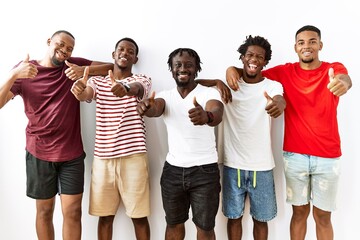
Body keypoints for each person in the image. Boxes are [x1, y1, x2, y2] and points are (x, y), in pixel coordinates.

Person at [226, 25, 352, 240]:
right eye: (302, 42)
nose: (307, 46)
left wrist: (343, 83)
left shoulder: (333, 68)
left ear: (320, 45)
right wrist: (231, 68)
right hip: (295, 155)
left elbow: (344, 79)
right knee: (299, 213)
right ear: (295, 47)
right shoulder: (285, 72)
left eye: (312, 41)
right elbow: (253, 71)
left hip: (328, 156)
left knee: (323, 216)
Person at [0, 30, 113, 240]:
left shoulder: (73, 65)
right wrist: (14, 74)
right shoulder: (26, 71)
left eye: (69, 48)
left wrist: (83, 70)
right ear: (49, 41)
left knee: (73, 212)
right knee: (44, 212)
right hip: (38, 153)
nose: (64, 51)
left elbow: (112, 68)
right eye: (60, 45)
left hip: (71, 154)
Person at [136, 48, 224, 240]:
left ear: (196, 69)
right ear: (172, 69)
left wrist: (206, 116)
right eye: (178, 65)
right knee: (173, 224)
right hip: (173, 172)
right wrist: (146, 108)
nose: (183, 68)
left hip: (205, 172)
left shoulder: (208, 93)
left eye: (189, 65)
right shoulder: (166, 96)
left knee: (205, 228)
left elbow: (217, 112)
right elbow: (156, 108)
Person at [71, 37, 151, 240]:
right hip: (103, 160)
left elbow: (138, 89)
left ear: (135, 58)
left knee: (139, 217)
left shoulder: (142, 79)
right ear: (113, 55)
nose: (125, 53)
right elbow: (86, 94)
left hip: (133, 157)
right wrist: (79, 90)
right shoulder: (97, 81)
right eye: (121, 49)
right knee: (105, 217)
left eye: (130, 51)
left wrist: (124, 89)